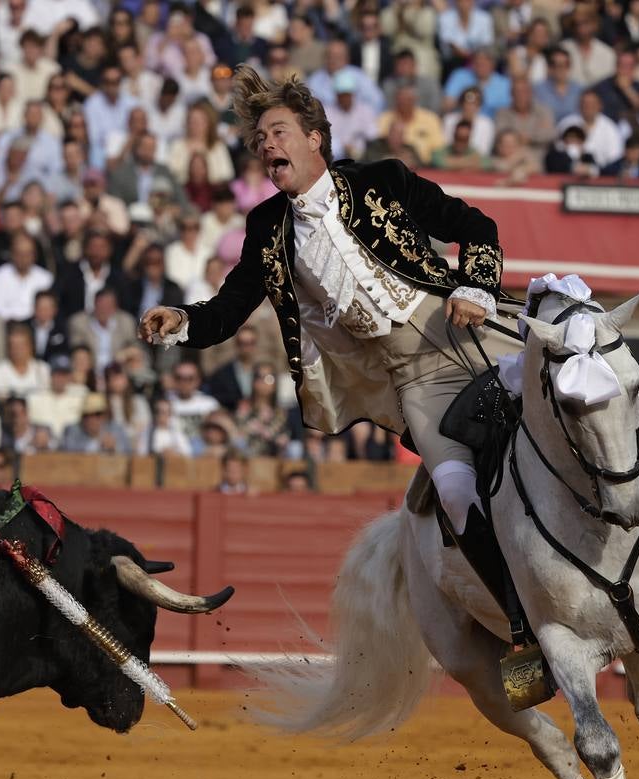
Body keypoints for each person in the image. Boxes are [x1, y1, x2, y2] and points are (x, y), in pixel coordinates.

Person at [139, 65, 529, 626]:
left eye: (278, 131)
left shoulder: (382, 179)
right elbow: (228, 310)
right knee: (452, 488)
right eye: (259, 139)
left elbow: (476, 225)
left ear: (314, 138)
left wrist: (475, 288)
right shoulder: (267, 227)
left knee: (579, 381)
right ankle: (520, 622)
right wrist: (181, 317)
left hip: (465, 330)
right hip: (411, 377)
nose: (266, 144)